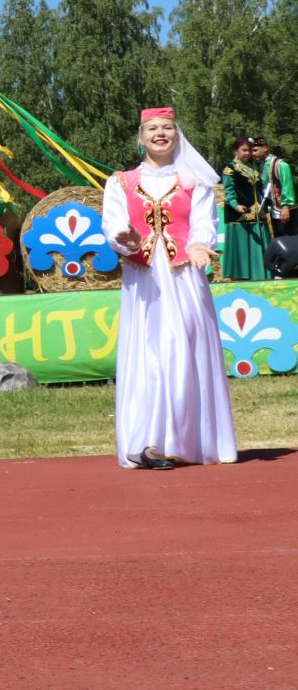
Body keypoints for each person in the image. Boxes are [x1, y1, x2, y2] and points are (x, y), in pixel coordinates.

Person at [100, 107, 236, 469]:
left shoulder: (195, 182)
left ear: (177, 134)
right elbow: (113, 227)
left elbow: (204, 224)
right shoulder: (120, 182)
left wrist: (198, 244)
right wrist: (125, 239)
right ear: (141, 137)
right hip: (144, 279)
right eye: (153, 129)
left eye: (168, 128)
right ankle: (148, 441)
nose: (161, 134)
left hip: (184, 275)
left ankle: (188, 440)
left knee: (184, 347)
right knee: (149, 351)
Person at [221, 135, 270, 281]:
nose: (248, 153)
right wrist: (236, 206)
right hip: (240, 215)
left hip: (257, 214)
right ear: (236, 150)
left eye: (249, 151)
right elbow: (228, 191)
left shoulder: (253, 168)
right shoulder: (230, 169)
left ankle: (260, 275)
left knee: (259, 246)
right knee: (242, 248)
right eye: (244, 150)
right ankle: (241, 276)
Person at [254, 137, 294, 238]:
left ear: (265, 148)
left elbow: (287, 186)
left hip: (284, 209)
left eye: (255, 150)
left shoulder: (281, 165)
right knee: (278, 236)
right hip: (273, 208)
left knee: (289, 237)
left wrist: (286, 206)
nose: (253, 154)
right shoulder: (262, 165)